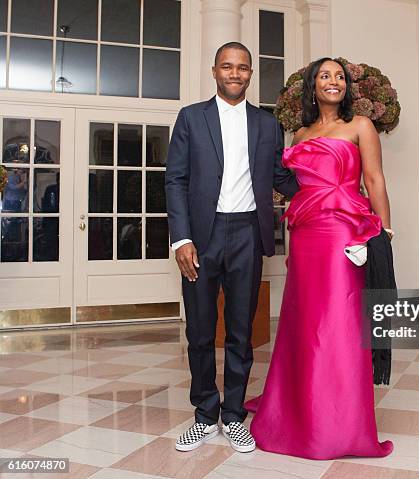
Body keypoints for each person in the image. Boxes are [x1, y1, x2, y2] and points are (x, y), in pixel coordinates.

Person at [244, 57, 394, 459]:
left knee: (341, 321)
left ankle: (341, 423)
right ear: (312, 86)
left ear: (348, 86)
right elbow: (295, 186)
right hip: (306, 233)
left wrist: (385, 230)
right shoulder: (300, 133)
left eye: (340, 76)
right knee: (305, 322)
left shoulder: (361, 126)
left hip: (345, 230)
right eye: (325, 76)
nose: (334, 82)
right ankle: (300, 411)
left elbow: (374, 179)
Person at [165, 42, 298, 454]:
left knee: (241, 333)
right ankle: (205, 415)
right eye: (227, 66)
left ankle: (235, 415)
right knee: (201, 331)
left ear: (251, 73)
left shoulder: (267, 124)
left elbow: (281, 176)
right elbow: (176, 180)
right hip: (201, 237)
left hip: (247, 235)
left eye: (242, 67)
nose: (235, 73)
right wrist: (181, 238)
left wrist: (331, 188)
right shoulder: (191, 118)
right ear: (214, 71)